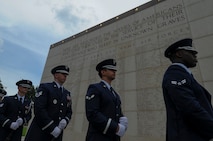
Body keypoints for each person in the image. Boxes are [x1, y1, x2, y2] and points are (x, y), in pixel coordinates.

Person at [162, 38, 213, 141]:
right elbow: (190, 108)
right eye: (192, 53)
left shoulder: (183, 74)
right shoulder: (175, 74)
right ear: (179, 54)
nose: (195, 57)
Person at [25, 65, 72, 141]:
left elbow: (69, 111)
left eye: (66, 75)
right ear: (56, 75)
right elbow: (39, 109)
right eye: (63, 74)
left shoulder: (67, 93)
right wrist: (51, 127)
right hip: (41, 131)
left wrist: (65, 120)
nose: (65, 76)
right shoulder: (45, 87)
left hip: (57, 133)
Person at [85, 59, 128, 141]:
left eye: (114, 70)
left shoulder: (114, 93)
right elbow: (92, 113)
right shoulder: (95, 88)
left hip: (113, 137)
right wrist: (116, 127)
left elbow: (115, 111)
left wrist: (122, 119)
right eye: (111, 70)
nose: (114, 71)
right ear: (103, 72)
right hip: (99, 137)